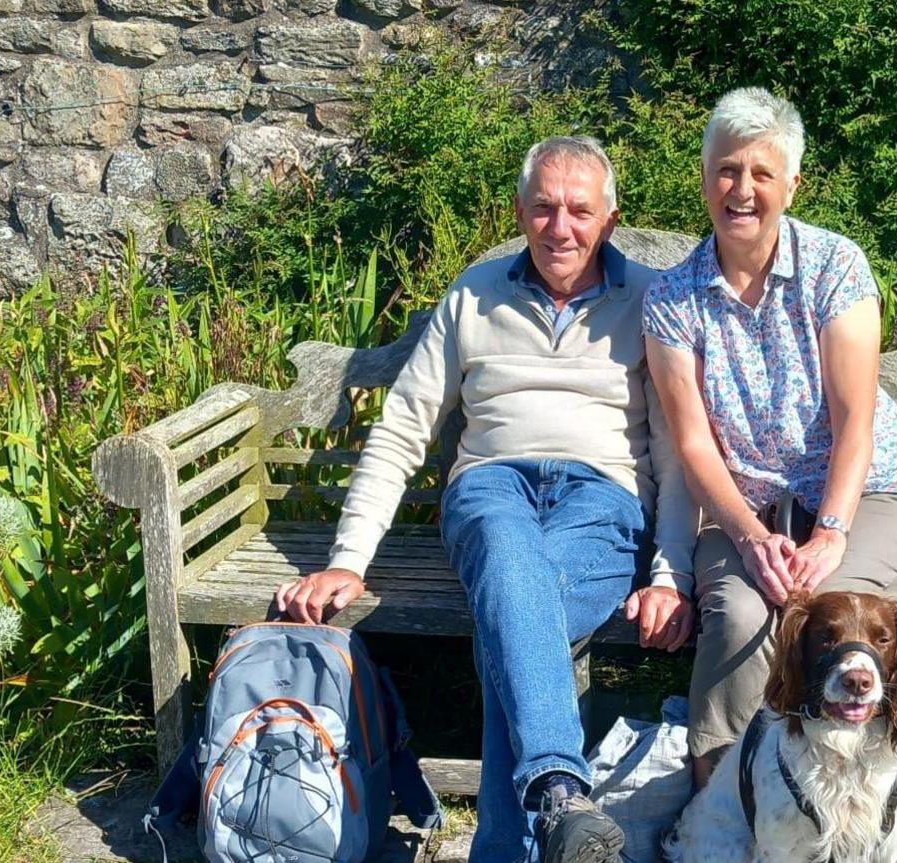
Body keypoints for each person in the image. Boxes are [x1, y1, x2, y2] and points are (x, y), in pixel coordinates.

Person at [274, 136, 699, 863]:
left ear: (610, 219)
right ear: (519, 211)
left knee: (515, 609)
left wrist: (670, 574)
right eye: (542, 208)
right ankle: (561, 793)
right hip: (490, 485)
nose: (558, 227)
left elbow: (677, 450)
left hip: (603, 499)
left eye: (578, 210)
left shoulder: (651, 301)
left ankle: (515, 839)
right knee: (508, 556)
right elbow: (404, 428)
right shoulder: (473, 293)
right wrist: (348, 559)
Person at [642, 88, 897, 789]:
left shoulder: (834, 266)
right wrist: (749, 536)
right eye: (725, 170)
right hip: (746, 506)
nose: (740, 190)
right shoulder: (672, 299)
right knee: (742, 611)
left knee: (827, 609)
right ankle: (721, 793)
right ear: (703, 175)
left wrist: (832, 529)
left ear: (792, 185)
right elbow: (693, 445)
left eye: (761, 174)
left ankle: (840, 794)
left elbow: (855, 421)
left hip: (871, 491)